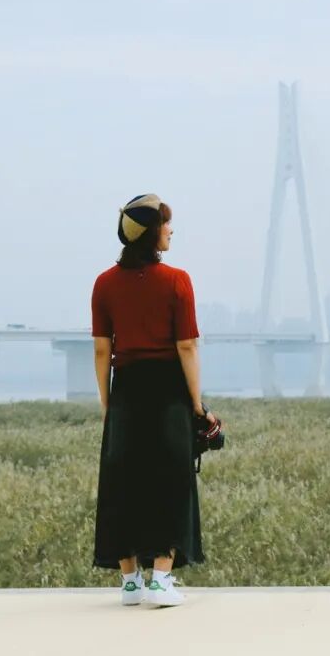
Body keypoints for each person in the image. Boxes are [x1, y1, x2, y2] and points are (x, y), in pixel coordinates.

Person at [90, 193, 217, 607]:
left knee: (122, 482)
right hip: (168, 391)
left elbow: (102, 350)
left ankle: (130, 583)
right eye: (166, 224)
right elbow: (187, 346)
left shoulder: (105, 283)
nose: (171, 231)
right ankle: (161, 580)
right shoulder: (177, 281)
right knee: (170, 480)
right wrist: (196, 403)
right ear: (151, 233)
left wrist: (108, 403)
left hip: (126, 389)